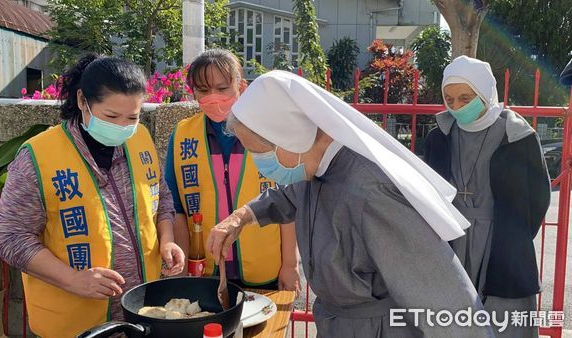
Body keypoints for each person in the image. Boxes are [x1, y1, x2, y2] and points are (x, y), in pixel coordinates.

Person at [206, 70, 494, 337]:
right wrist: (242, 216)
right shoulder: (313, 167)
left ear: (289, 137)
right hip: (336, 322)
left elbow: (443, 294)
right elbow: (288, 195)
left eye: (260, 153)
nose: (260, 166)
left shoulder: (371, 190)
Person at [0, 54, 185, 338]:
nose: (122, 126)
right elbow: (9, 237)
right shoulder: (38, 157)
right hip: (75, 324)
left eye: (132, 116)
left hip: (143, 312)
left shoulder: (140, 139)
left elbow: (161, 196)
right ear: (83, 101)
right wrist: (73, 279)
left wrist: (167, 241)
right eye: (111, 116)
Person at [423, 56, 551, 337]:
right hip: (451, 243)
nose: (456, 106)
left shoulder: (517, 137)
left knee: (505, 325)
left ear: (484, 93)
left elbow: (538, 198)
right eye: (449, 98)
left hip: (503, 246)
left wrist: (511, 235)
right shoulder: (439, 137)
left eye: (465, 98)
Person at [165, 49, 300, 291]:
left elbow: (288, 204)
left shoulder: (269, 132)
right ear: (193, 92)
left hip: (263, 266)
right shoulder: (183, 135)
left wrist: (289, 264)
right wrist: (185, 268)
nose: (213, 97)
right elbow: (177, 208)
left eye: (222, 88)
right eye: (203, 90)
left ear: (242, 87)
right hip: (206, 268)